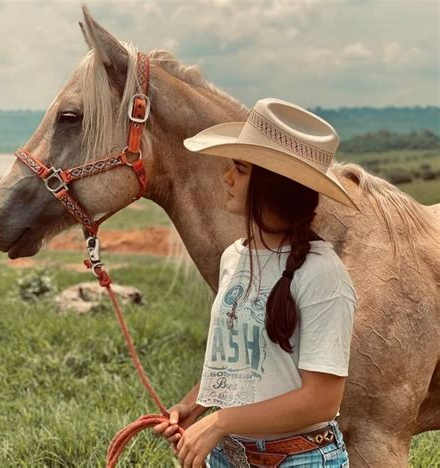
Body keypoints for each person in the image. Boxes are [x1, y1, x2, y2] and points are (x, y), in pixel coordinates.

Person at [152, 98, 360, 467]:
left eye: (241, 169)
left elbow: (322, 400)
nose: (226, 178)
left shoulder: (322, 274)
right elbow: (241, 364)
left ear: (272, 184)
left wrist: (221, 420)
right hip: (229, 455)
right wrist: (193, 407)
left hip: (300, 459)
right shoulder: (234, 257)